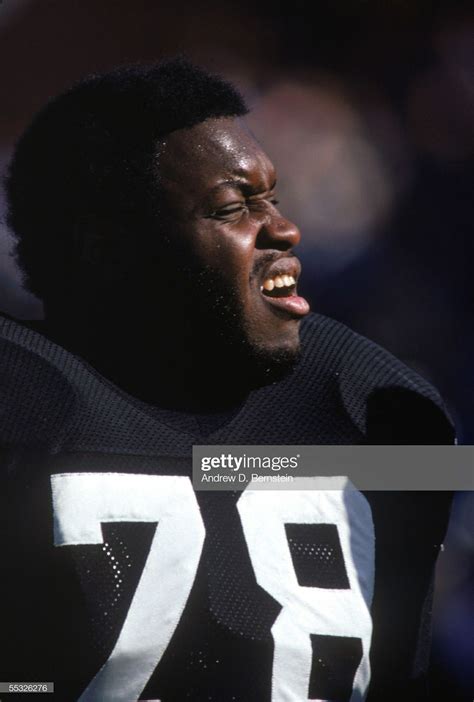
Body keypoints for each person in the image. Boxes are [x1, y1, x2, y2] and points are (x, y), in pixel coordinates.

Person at [0, 58, 453, 701]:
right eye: (232, 206)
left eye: (274, 198)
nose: (285, 229)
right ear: (108, 248)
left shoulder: (373, 404)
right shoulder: (20, 400)